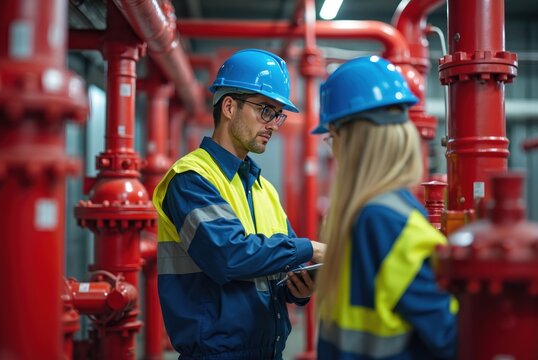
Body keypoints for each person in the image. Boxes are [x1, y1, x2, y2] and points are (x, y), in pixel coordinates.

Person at [152, 48, 326, 360]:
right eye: (265, 111)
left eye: (278, 115)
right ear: (230, 106)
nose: (273, 124)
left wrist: (297, 287)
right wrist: (309, 248)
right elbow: (227, 256)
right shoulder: (191, 178)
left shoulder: (263, 188)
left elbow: (274, 270)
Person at [312, 55, 458, 359]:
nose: (334, 150)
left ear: (352, 140)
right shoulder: (377, 217)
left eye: (331, 138)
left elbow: (455, 340)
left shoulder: (383, 221)